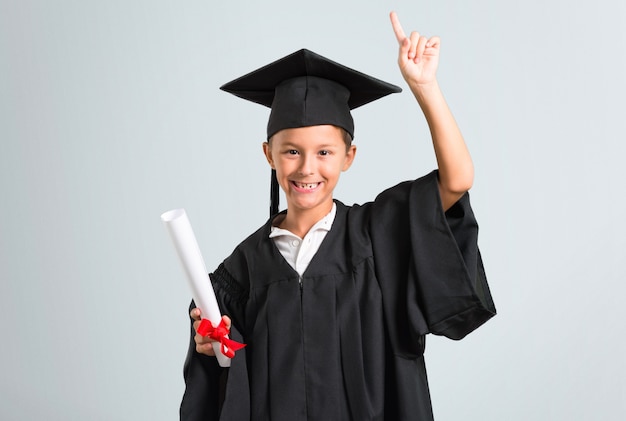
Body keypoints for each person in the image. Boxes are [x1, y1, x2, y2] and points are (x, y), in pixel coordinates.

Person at [180, 11, 496, 421]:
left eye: (324, 152)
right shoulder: (241, 271)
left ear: (349, 157)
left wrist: (426, 88)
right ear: (268, 156)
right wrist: (214, 343)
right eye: (291, 151)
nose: (307, 168)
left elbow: (456, 181)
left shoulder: (378, 235)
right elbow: (226, 383)